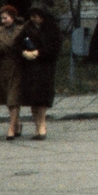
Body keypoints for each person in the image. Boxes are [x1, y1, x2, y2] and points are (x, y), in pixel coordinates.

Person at [15, 7, 61, 140]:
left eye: (37, 16)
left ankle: (42, 125)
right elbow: (17, 44)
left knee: (42, 98)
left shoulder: (52, 28)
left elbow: (55, 47)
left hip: (45, 67)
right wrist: (24, 53)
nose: (34, 18)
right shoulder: (27, 28)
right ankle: (37, 125)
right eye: (32, 16)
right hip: (29, 68)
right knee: (32, 99)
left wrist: (39, 52)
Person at [0, 5, 25, 139]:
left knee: (13, 99)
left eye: (6, 18)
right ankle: (17, 123)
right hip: (3, 68)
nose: (3, 20)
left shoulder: (22, 30)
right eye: (2, 18)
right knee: (8, 99)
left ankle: (11, 128)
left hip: (18, 67)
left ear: (13, 17)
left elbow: (29, 44)